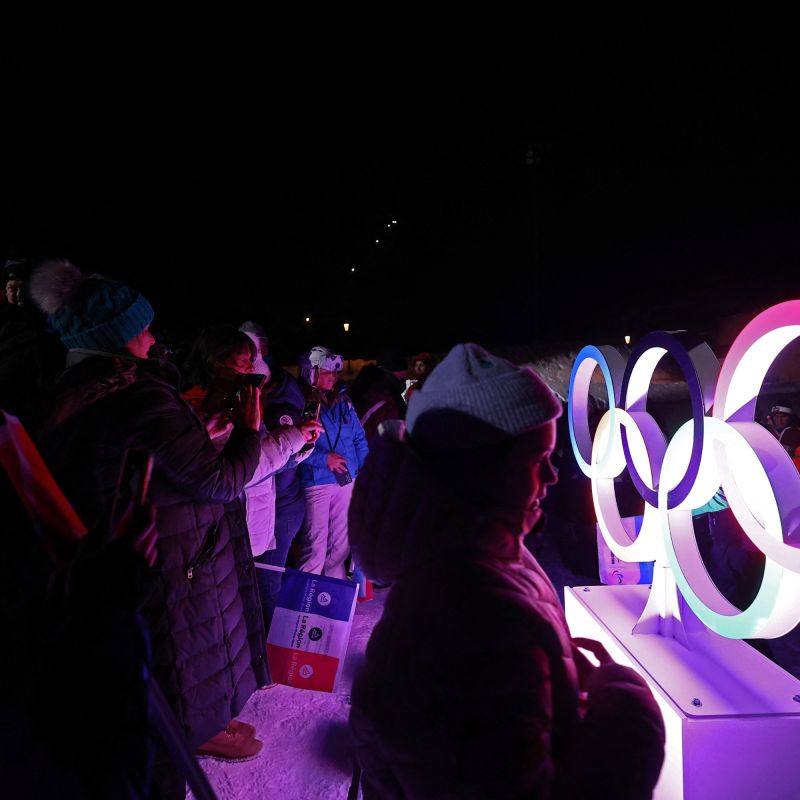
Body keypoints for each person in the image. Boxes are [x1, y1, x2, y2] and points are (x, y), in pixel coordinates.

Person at [348, 343, 665, 799]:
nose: (552, 478)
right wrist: (626, 701)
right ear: (484, 472)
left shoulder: (489, 557)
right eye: (537, 461)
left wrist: (551, 673)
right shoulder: (468, 617)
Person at [29, 259, 267, 791]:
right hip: (167, 558)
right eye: (143, 329)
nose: (154, 338)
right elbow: (220, 482)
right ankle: (180, 756)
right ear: (116, 337)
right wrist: (249, 431)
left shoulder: (76, 388)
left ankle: (192, 737)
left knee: (155, 681)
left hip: (125, 558)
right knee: (172, 681)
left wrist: (194, 433)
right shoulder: (136, 394)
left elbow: (145, 454)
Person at [295, 345, 369, 579]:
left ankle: (331, 594)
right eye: (327, 372)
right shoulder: (302, 402)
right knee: (315, 546)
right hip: (317, 481)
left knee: (341, 544)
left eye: (335, 372)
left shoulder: (343, 401)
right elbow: (296, 445)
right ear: (311, 373)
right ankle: (304, 597)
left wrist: (364, 472)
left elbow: (359, 438)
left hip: (347, 479)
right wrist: (324, 458)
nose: (333, 377)